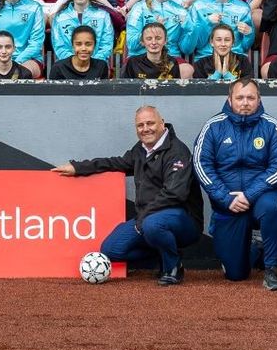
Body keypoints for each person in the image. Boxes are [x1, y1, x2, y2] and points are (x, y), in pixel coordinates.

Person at [54, 106, 202, 284]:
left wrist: (143, 220)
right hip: (148, 219)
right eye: (140, 125)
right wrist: (78, 167)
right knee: (111, 250)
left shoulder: (177, 152)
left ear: (162, 123)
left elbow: (174, 194)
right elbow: (116, 163)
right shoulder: (140, 150)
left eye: (150, 123)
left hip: (182, 220)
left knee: (153, 224)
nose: (145, 128)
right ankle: (165, 252)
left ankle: (173, 267)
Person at [192, 79, 277, 290]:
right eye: (240, 98)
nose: (245, 103)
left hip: (261, 197)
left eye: (250, 98)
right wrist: (226, 198)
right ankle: (255, 247)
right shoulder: (213, 126)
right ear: (230, 99)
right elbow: (201, 165)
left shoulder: (271, 126)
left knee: (270, 206)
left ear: (259, 99)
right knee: (236, 275)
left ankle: (271, 269)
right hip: (228, 203)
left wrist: (249, 195)